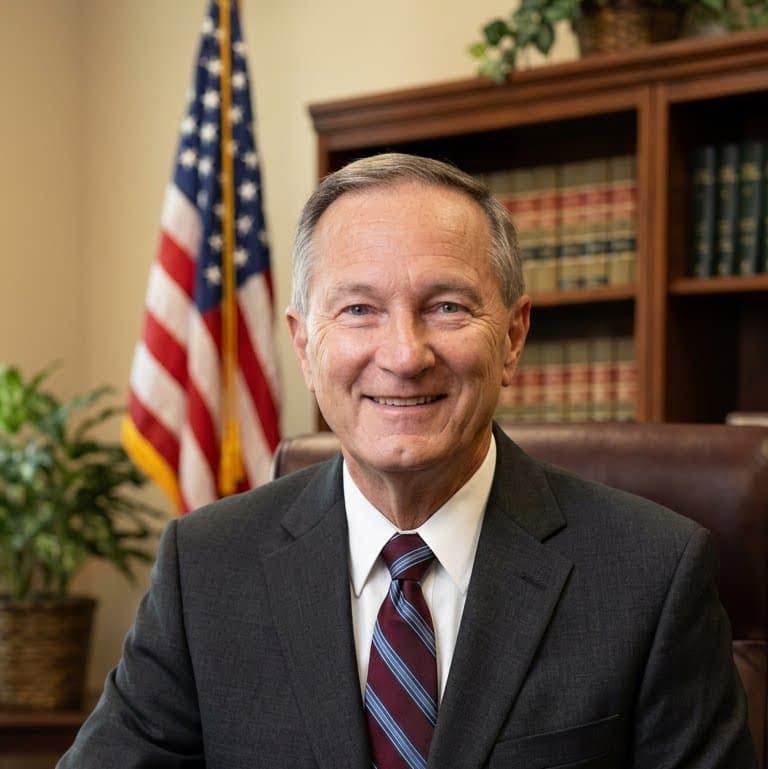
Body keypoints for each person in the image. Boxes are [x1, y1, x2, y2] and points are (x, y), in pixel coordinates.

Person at [58, 153, 756, 769]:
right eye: (359, 309)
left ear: (513, 335)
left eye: (446, 306)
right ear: (303, 347)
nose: (403, 354)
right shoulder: (205, 567)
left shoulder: (652, 574)